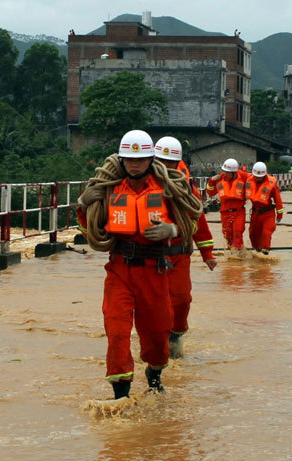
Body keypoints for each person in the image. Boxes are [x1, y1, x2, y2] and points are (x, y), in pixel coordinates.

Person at [76, 130, 202, 399]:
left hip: (155, 269)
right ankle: (120, 395)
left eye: (141, 159)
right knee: (117, 331)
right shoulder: (108, 188)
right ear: (121, 160)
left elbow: (193, 222)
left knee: (157, 335)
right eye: (129, 159)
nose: (134, 164)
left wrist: (171, 230)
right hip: (119, 268)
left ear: (150, 159)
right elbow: (90, 231)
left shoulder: (169, 188)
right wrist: (84, 203)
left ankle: (154, 375)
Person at [152, 136, 218, 358]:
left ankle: (176, 335)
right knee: (151, 303)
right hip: (149, 253)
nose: (165, 166)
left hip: (178, 253)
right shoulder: (143, 180)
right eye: (160, 161)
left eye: (170, 162)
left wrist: (207, 253)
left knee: (181, 300)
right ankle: (155, 345)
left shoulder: (186, 186)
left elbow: (198, 219)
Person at [206, 158, 248, 252]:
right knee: (228, 235)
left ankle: (236, 256)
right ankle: (234, 253)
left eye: (229, 172)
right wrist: (212, 181)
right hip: (225, 212)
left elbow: (255, 180)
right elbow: (210, 192)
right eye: (225, 172)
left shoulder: (243, 178)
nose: (226, 174)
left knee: (238, 232)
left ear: (234, 173)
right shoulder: (219, 179)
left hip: (239, 211)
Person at [246, 162, 284, 255]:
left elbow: (278, 200)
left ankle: (265, 254)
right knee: (253, 234)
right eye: (256, 176)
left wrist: (279, 214)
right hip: (255, 214)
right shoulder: (249, 180)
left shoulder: (271, 184)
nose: (258, 178)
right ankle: (257, 252)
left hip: (268, 213)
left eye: (260, 176)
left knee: (266, 233)